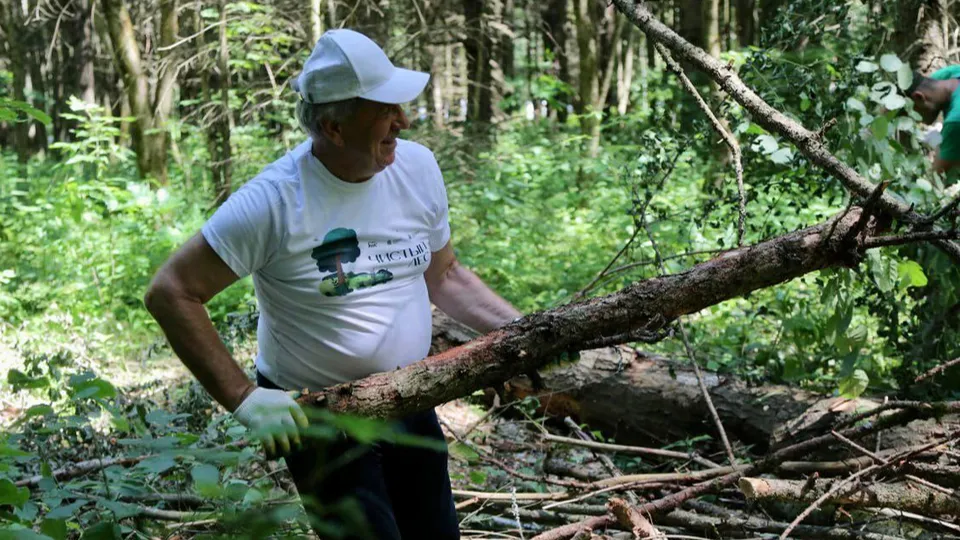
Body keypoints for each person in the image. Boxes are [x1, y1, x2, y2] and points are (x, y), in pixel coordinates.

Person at [143, 29, 522, 539]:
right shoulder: (274, 203)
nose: (403, 121)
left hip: (409, 395)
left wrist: (528, 333)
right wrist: (245, 398)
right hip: (321, 415)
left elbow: (445, 275)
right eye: (385, 109)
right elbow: (171, 292)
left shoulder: (416, 167)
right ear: (333, 127)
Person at [907, 66, 960, 175]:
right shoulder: (948, 74)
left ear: (919, 97)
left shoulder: (955, 121)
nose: (917, 122)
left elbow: (935, 180)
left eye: (911, 115)